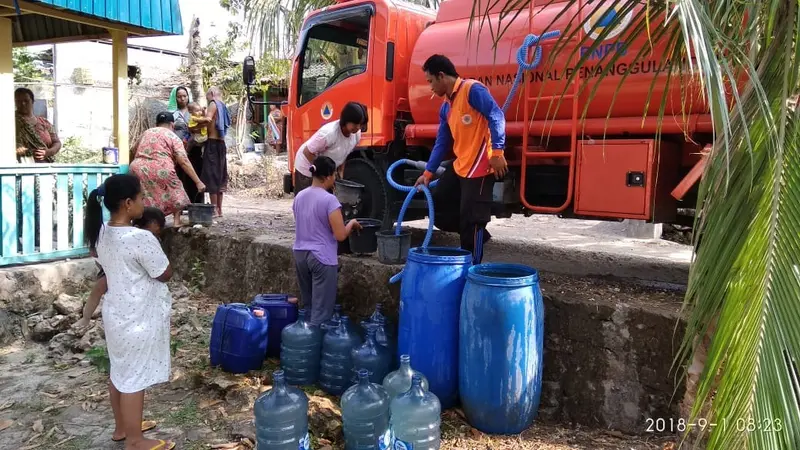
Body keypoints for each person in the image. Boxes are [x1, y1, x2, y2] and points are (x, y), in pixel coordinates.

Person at [84, 174, 176, 450]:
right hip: (137, 316)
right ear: (127, 204)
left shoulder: (100, 232)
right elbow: (164, 273)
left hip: (115, 314)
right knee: (134, 377)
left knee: (120, 371)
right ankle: (135, 441)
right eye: (140, 198)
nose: (143, 203)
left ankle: (123, 428)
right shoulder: (140, 238)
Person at [414, 54, 508, 265]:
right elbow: (442, 142)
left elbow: (496, 116)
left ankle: (472, 267)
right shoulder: (446, 106)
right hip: (461, 166)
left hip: (482, 166)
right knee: (439, 204)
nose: (430, 88)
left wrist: (498, 152)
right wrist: (428, 173)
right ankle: (478, 235)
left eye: (430, 81)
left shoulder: (472, 90)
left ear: (441, 76)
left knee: (471, 220)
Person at [293, 156, 362, 326]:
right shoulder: (330, 200)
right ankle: (317, 347)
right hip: (321, 258)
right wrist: (351, 223)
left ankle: (305, 344)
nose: (336, 179)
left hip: (300, 255)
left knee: (308, 306)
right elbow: (339, 235)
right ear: (328, 176)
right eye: (334, 175)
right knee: (321, 312)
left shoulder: (299, 197)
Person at [74, 207, 167, 331]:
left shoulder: (149, 239)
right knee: (99, 287)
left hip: (135, 279)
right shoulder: (133, 236)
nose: (155, 236)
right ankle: (86, 317)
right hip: (115, 268)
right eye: (155, 232)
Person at [130, 112, 206, 225]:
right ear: (172, 125)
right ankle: (176, 221)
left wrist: (133, 165)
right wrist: (198, 182)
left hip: (137, 167)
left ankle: (142, 222)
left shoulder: (146, 132)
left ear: (156, 124)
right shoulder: (173, 136)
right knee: (177, 191)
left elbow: (132, 150)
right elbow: (183, 161)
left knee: (145, 196)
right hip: (160, 168)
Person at [292, 102, 366, 194]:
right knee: (309, 202)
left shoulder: (356, 135)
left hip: (325, 170)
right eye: (355, 124)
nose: (358, 127)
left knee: (325, 202)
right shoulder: (329, 134)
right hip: (307, 165)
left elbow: (345, 152)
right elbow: (307, 152)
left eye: (360, 124)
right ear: (346, 120)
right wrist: (319, 174)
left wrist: (340, 174)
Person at [197, 86, 231, 217]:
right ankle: (219, 209)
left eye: (207, 97)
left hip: (212, 143)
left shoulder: (213, 104)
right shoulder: (223, 106)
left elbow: (208, 119)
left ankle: (214, 210)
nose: (207, 100)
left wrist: (194, 121)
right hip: (221, 144)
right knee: (220, 176)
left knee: (212, 176)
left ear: (211, 94)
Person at [169, 86, 204, 205]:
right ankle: (182, 204)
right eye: (179, 97)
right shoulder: (172, 114)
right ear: (175, 98)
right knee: (179, 176)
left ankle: (196, 203)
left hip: (194, 149)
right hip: (178, 150)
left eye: (184, 96)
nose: (182, 99)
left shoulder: (196, 110)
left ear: (188, 96)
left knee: (195, 174)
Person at [14, 87, 61, 163]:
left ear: (32, 101)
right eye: (18, 101)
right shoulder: (10, 122)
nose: (23, 103)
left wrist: (49, 152)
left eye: (26, 101)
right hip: (22, 167)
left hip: (46, 166)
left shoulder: (44, 122)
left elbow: (57, 142)